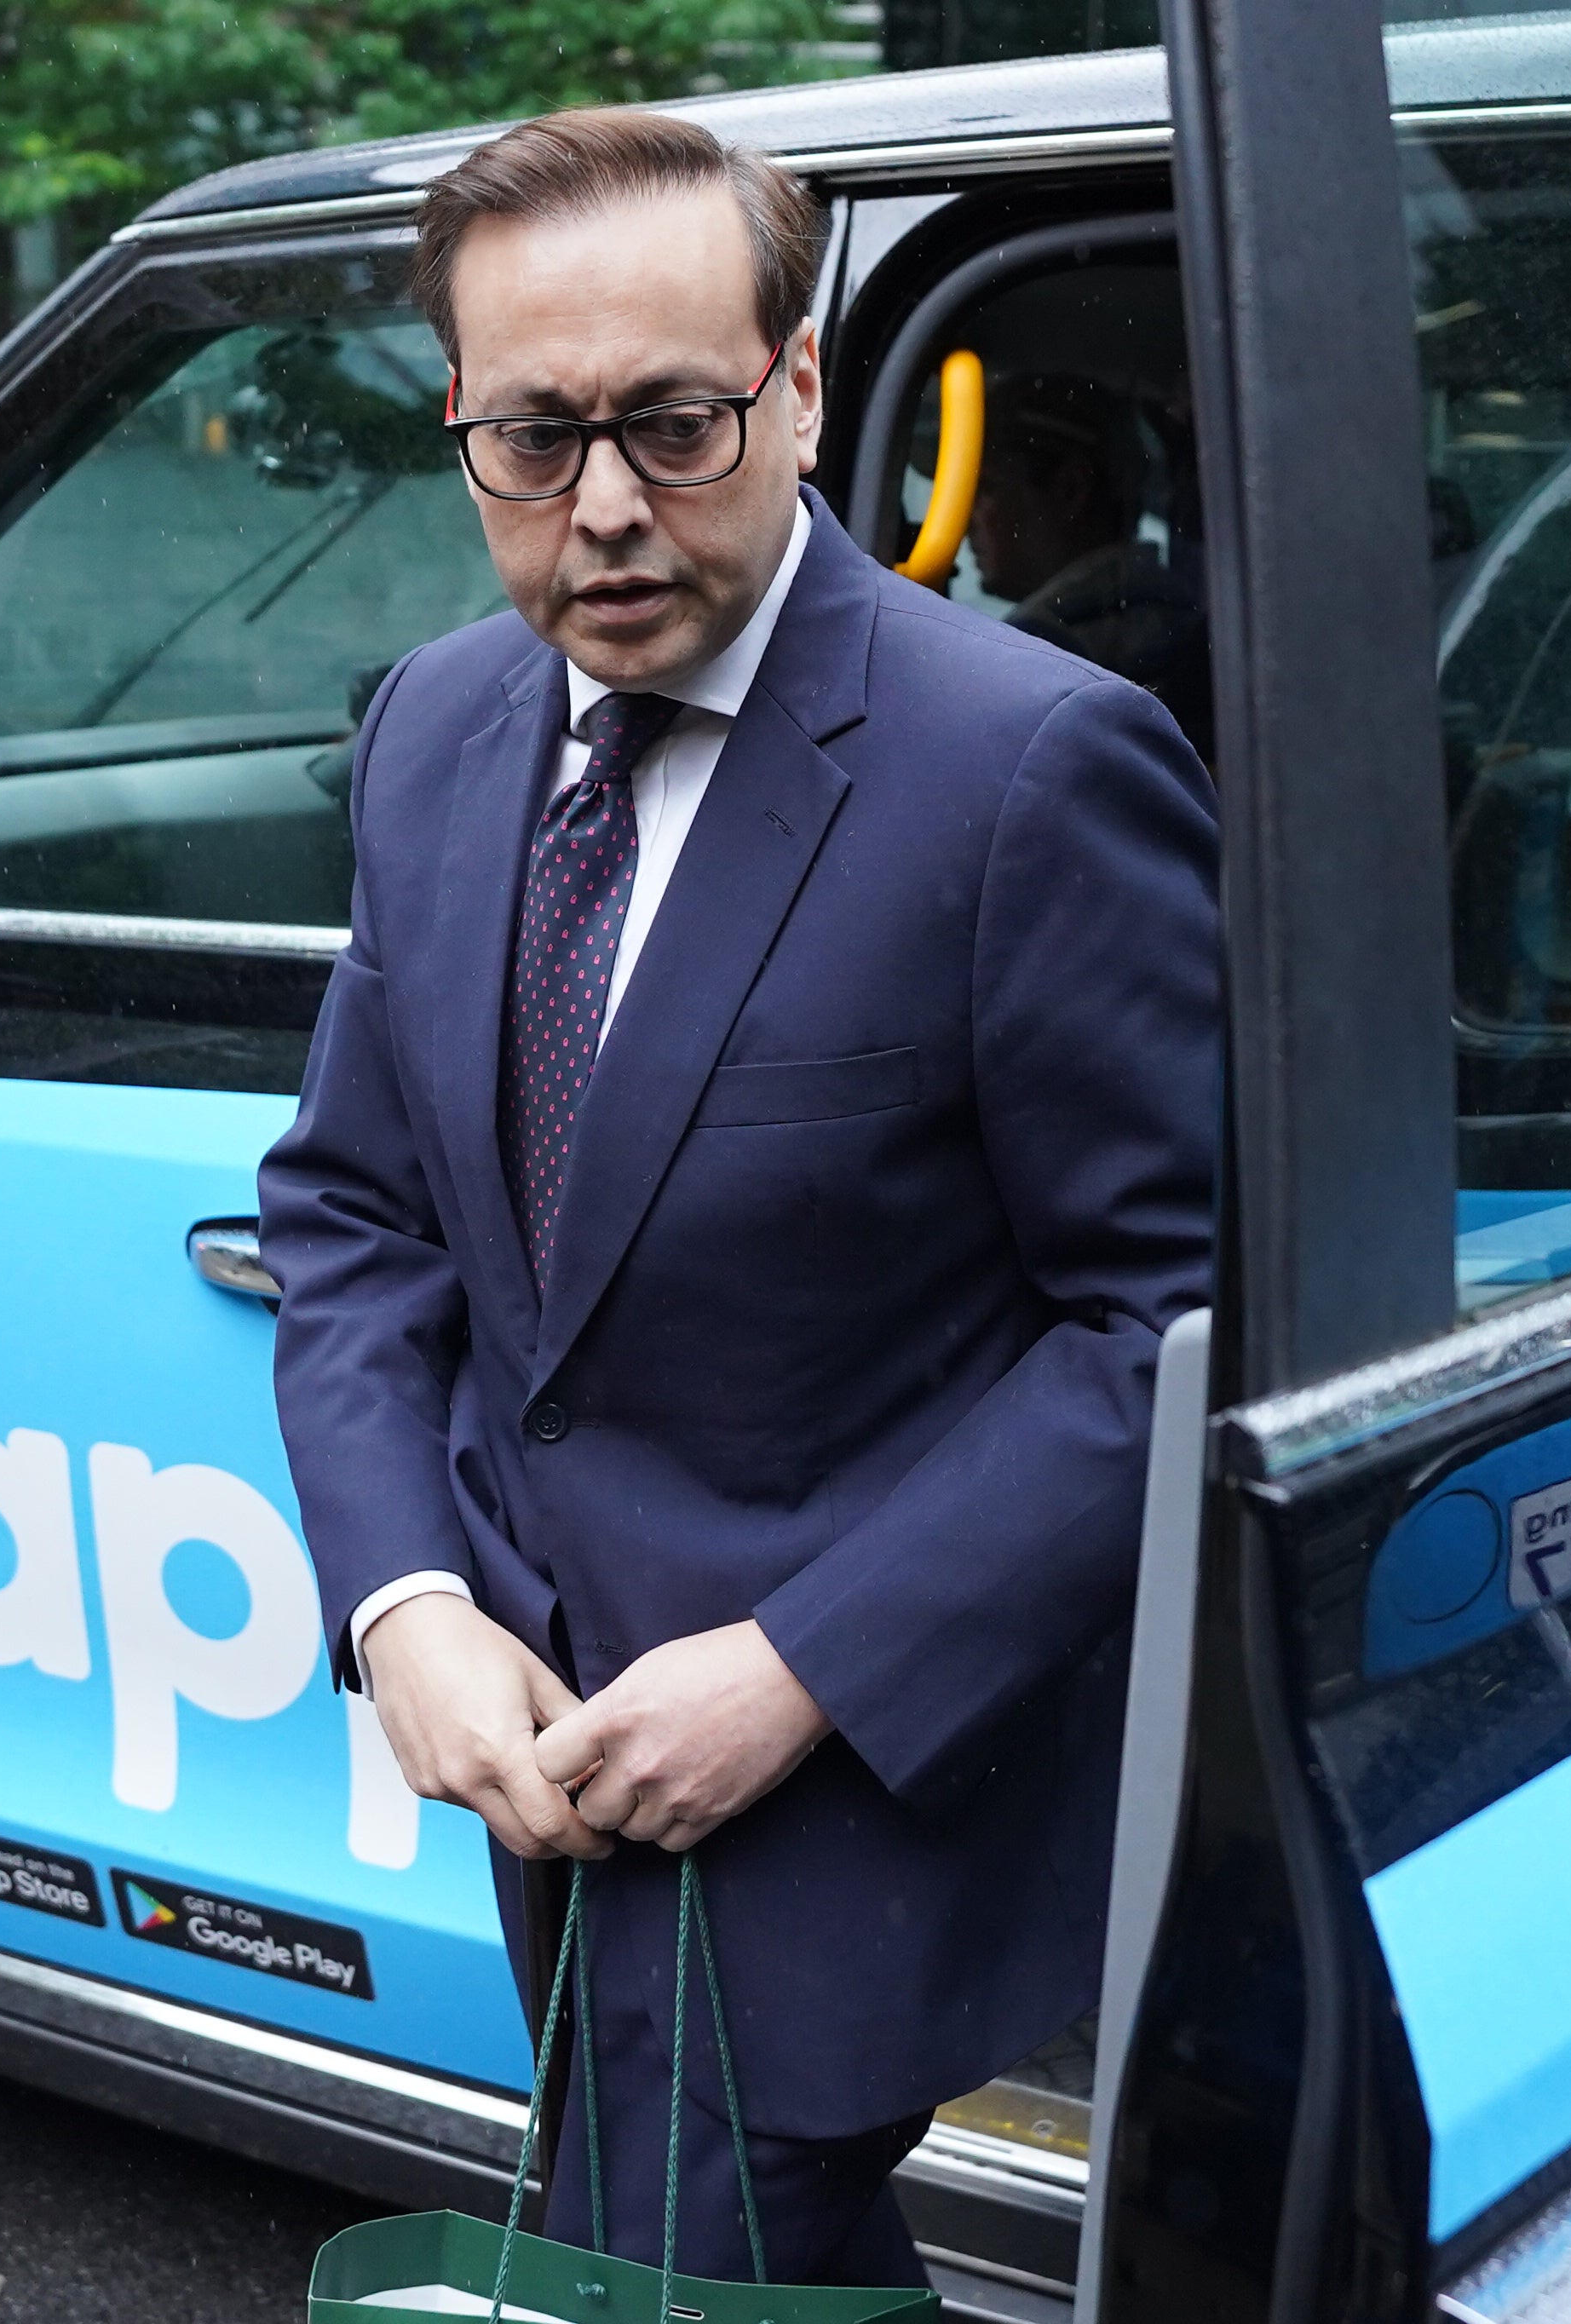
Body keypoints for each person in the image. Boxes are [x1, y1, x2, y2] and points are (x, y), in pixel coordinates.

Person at [258, 106, 1220, 2288]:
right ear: (462, 428)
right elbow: (353, 1220)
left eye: (674, 423)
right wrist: (404, 1603)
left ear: (795, 386)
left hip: (850, 1793)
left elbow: (1169, 1319)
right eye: (532, 436)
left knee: (676, 2258)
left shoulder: (1032, 764)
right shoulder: (429, 726)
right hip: (545, 1773)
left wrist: (799, 1669)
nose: (602, 506)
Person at [963, 371, 1209, 739]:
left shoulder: (1036, 652)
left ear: (1069, 490)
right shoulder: (1174, 611)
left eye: (986, 488)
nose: (965, 520)